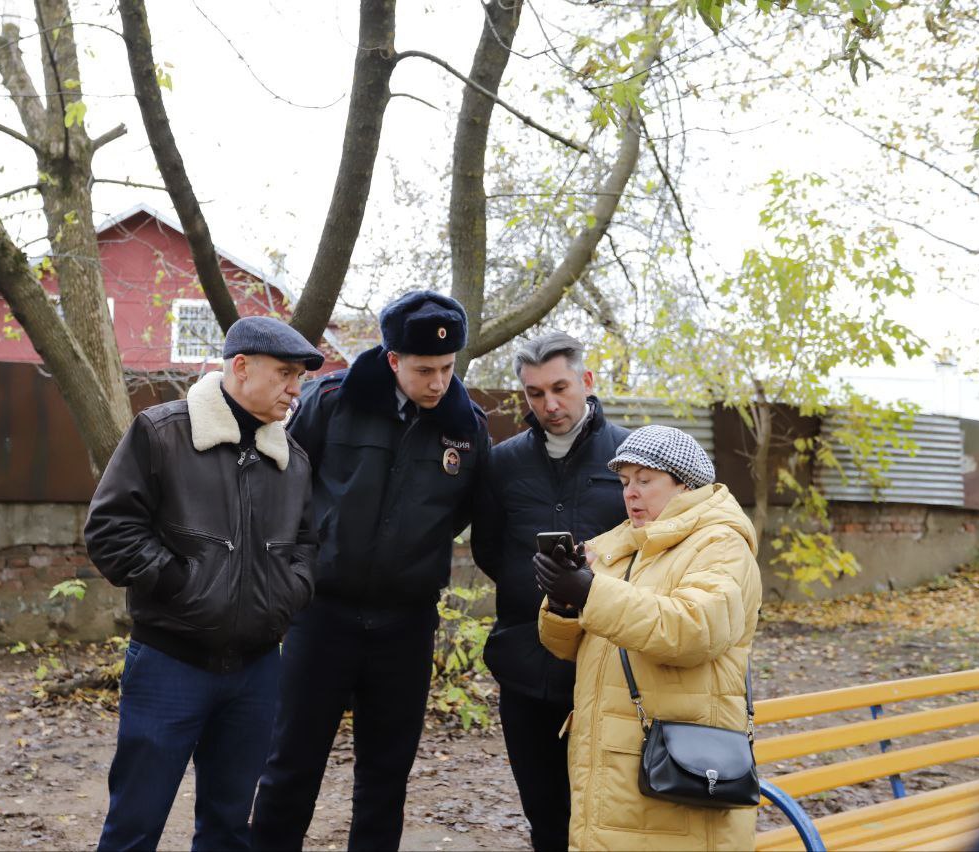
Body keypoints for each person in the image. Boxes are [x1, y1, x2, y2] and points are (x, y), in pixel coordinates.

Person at [251, 290, 491, 851]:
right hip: (322, 614)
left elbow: (461, 512)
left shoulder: (466, 427)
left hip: (405, 626)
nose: (438, 383)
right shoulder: (332, 401)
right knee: (290, 766)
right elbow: (285, 484)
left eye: (448, 368)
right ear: (391, 360)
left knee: (385, 778)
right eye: (424, 369)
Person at [86, 315, 324, 852]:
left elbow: (307, 546)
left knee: (229, 828)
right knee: (134, 823)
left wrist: (289, 594)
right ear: (241, 367)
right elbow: (109, 530)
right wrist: (179, 584)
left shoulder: (293, 461)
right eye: (286, 373)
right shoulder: (161, 432)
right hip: (169, 664)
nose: (295, 389)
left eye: (301, 377)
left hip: (257, 672)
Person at [535, 425, 762, 851]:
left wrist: (589, 592)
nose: (631, 493)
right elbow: (570, 647)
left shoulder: (721, 544)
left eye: (645, 480)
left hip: (676, 766)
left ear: (685, 485)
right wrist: (564, 606)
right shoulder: (624, 545)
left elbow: (693, 629)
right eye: (624, 482)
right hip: (614, 761)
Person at [469, 331, 629, 851]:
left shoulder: (628, 458)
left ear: (586, 381)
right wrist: (533, 592)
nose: (550, 404)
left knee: (608, 815)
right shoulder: (502, 462)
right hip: (525, 666)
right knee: (546, 816)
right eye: (535, 393)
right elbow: (489, 550)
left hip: (606, 668)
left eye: (560, 387)